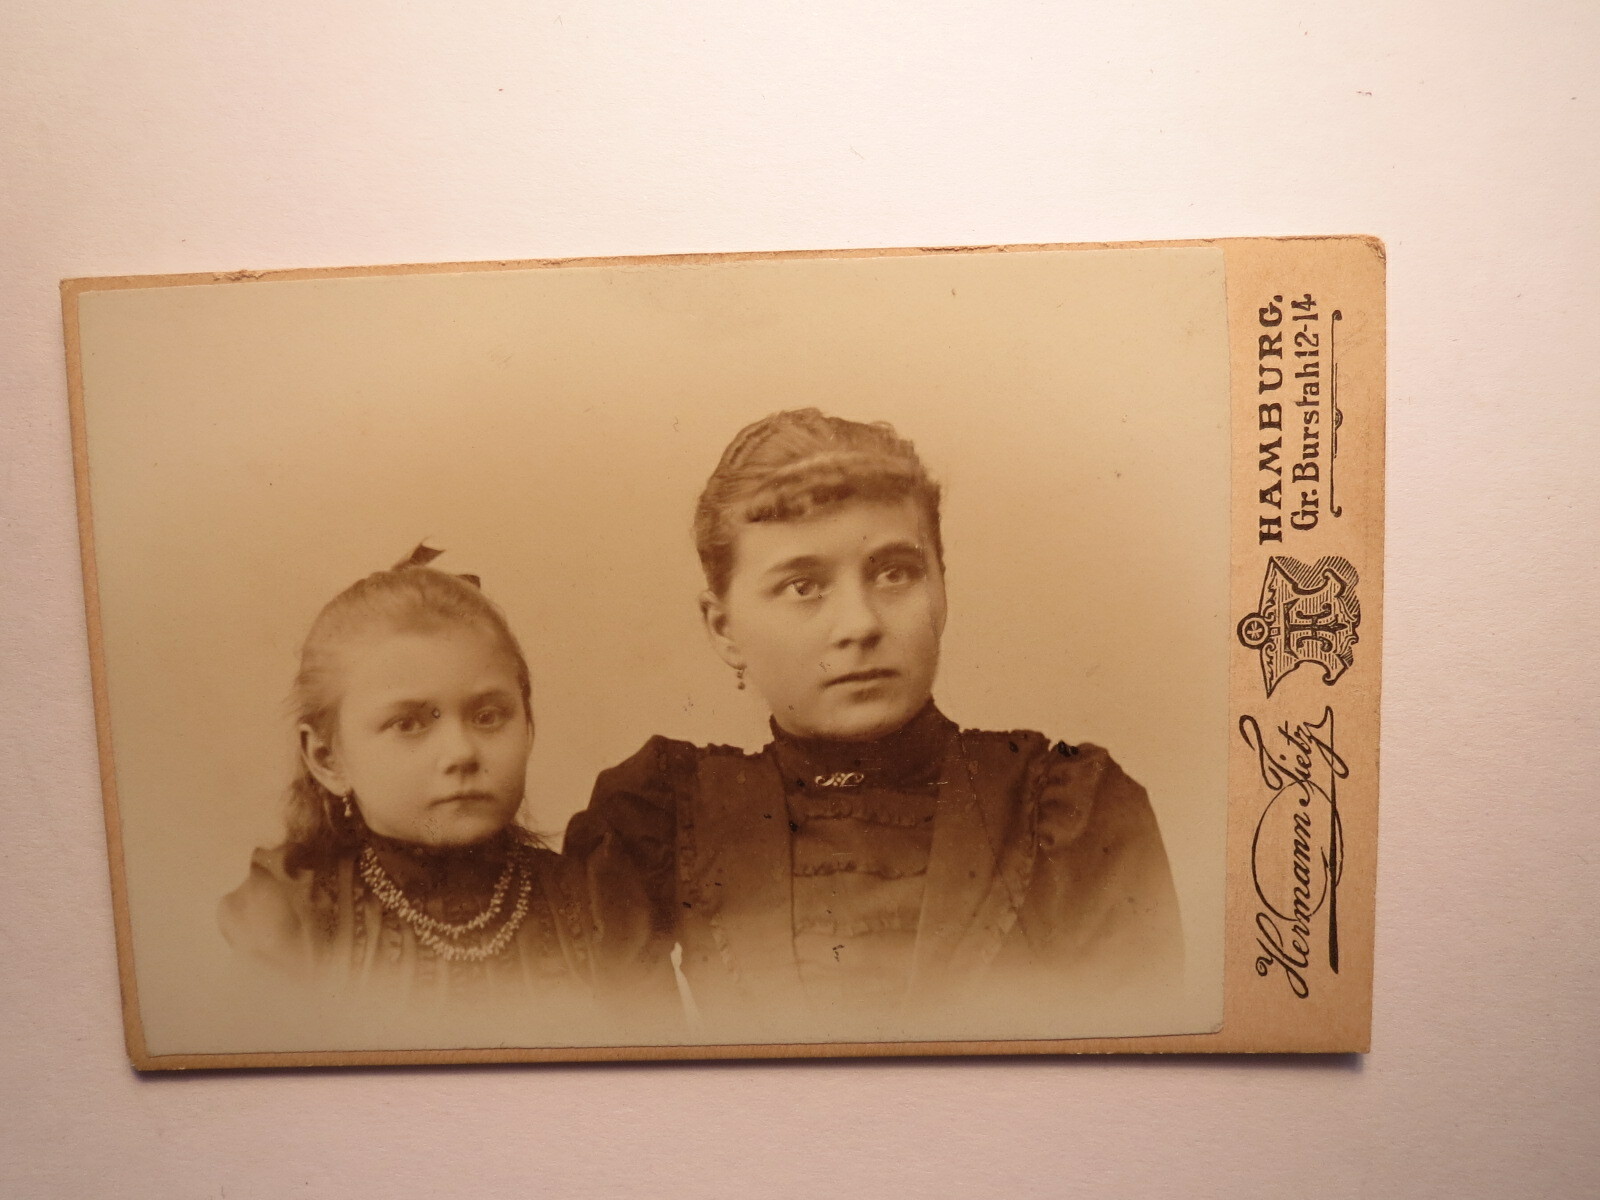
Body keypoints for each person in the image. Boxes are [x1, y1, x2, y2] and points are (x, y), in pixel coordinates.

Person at [565, 409, 1183, 1039]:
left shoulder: (1067, 808)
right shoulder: (661, 817)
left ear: (942, 587)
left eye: (895, 573)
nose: (860, 624)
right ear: (724, 629)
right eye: (804, 586)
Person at [219, 546, 618, 1019]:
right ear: (328, 759)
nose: (462, 753)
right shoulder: (293, 918)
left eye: (489, 716)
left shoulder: (592, 902)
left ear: (528, 724)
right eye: (409, 724)